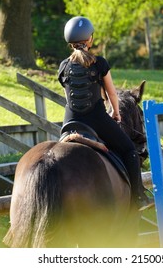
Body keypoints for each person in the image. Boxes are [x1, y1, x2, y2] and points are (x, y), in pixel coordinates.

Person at [57, 16, 153, 211]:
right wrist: (116, 114)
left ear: (70, 42)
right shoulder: (99, 63)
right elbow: (111, 93)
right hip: (97, 119)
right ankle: (138, 197)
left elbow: (69, 96)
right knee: (129, 150)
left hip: (70, 123)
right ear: (89, 40)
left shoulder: (63, 66)